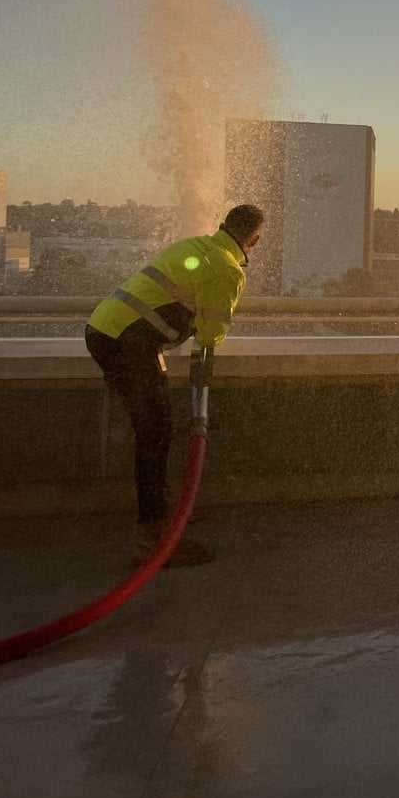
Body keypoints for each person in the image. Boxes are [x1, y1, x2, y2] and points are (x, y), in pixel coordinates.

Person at [85, 204, 263, 566]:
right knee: (155, 434)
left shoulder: (193, 245)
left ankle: (163, 514)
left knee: (153, 428)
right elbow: (213, 334)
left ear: (222, 225)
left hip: (104, 329)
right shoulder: (227, 269)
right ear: (254, 240)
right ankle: (152, 540)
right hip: (128, 344)